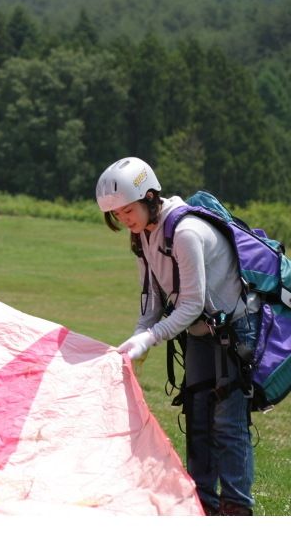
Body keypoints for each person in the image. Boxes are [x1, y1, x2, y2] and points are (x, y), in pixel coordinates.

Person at [95, 156, 256, 516]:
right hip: (200, 332)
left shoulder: (184, 233)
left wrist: (151, 337)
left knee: (228, 423)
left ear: (150, 196)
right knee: (198, 417)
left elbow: (192, 303)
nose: (125, 220)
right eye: (117, 216)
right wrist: (140, 333)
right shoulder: (143, 237)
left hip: (233, 330)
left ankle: (237, 510)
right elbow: (152, 298)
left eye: (128, 210)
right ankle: (203, 505)